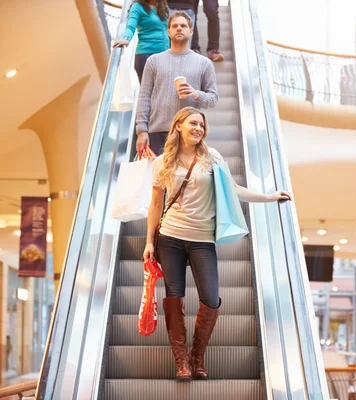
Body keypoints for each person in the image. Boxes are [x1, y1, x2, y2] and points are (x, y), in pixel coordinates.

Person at [143, 106, 291, 381]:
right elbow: (155, 204)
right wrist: (149, 241)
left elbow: (233, 190)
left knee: (210, 298)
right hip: (171, 237)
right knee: (174, 297)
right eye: (193, 123)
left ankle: (198, 356)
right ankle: (183, 363)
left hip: (202, 239)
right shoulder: (162, 162)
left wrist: (269, 197)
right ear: (178, 126)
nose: (198, 128)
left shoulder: (212, 158)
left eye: (201, 125)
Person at [136, 10, 218, 156]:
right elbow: (144, 97)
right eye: (174, 26)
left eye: (183, 26)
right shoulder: (153, 61)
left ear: (191, 31)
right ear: (168, 32)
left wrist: (195, 94)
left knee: (186, 179)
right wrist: (142, 130)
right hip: (157, 132)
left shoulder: (205, 63)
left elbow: (213, 100)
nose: (179, 28)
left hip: (189, 134)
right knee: (157, 179)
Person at [112, 0, 170, 82]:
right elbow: (130, 27)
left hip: (164, 55)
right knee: (148, 92)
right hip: (146, 55)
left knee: (163, 91)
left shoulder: (163, 8)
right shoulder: (137, 6)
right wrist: (126, 39)